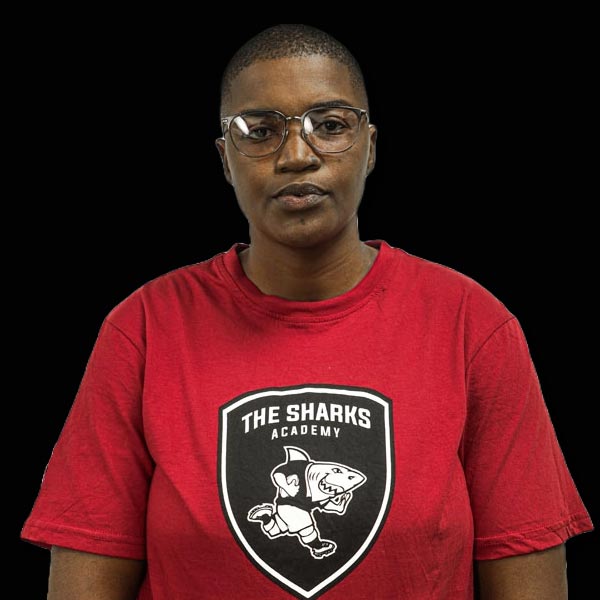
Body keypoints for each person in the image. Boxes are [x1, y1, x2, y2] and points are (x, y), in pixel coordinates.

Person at [21, 24, 593, 600]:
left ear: (370, 147)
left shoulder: (472, 324)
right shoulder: (143, 329)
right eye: (261, 131)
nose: (297, 155)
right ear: (225, 160)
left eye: (331, 125)